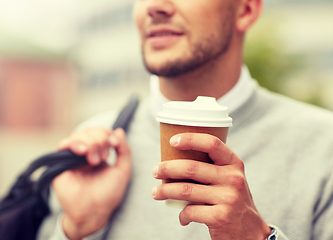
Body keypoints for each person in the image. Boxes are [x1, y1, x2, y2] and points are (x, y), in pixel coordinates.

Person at [38, 0, 333, 239]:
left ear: (245, 10)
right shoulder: (90, 147)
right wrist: (75, 230)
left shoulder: (324, 147)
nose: (154, 6)